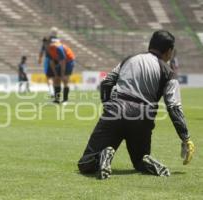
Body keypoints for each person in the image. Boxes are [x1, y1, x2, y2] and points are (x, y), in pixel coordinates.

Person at [77, 30, 195, 179]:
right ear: (169, 51)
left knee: (86, 164)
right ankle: (146, 160)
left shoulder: (129, 59)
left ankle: (103, 155)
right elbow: (174, 107)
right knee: (140, 162)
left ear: (150, 45)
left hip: (117, 109)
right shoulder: (169, 73)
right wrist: (186, 137)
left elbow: (107, 82)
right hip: (143, 117)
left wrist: (109, 108)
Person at [46, 38, 75, 104]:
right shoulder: (48, 50)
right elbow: (51, 62)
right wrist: (55, 74)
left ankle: (65, 100)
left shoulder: (59, 48)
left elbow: (63, 62)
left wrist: (62, 74)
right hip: (59, 61)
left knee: (64, 79)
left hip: (68, 61)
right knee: (56, 80)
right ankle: (57, 100)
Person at [38, 27, 59, 98]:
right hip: (57, 60)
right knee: (55, 77)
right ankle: (56, 92)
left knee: (48, 77)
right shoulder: (58, 40)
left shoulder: (47, 39)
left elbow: (42, 50)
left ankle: (51, 92)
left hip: (48, 59)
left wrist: (40, 58)